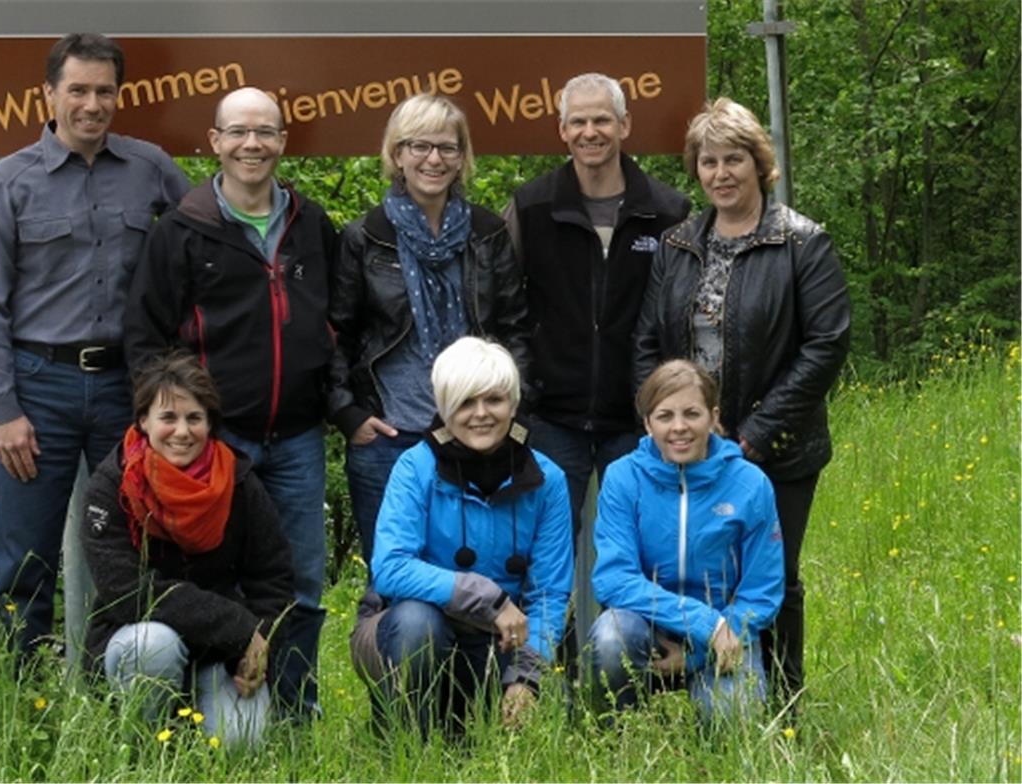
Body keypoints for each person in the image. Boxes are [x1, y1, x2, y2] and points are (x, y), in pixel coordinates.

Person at [0, 32, 190, 659]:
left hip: (130, 390)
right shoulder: (8, 182)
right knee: (24, 560)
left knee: (137, 548)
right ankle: (24, 710)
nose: (92, 104)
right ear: (49, 94)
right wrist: (2, 411)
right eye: (78, 90)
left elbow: (204, 243)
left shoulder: (150, 169)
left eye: (104, 91)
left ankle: (124, 695)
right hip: (39, 392)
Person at [124, 87, 338, 719]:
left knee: (300, 583)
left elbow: (338, 325)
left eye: (266, 132)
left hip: (297, 438)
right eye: (239, 132)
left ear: (282, 141)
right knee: (212, 579)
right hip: (218, 444)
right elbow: (145, 340)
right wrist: (174, 427)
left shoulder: (312, 226)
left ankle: (297, 713)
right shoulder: (182, 232)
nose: (253, 145)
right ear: (214, 141)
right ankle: (208, 703)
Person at [633, 97, 851, 706]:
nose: (721, 173)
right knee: (685, 576)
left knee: (772, 581)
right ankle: (691, 692)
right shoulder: (677, 245)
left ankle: (782, 703)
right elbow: (649, 341)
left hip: (776, 449)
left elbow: (827, 345)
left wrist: (751, 435)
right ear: (696, 170)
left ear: (760, 164)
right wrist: (662, 425)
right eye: (708, 161)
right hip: (685, 445)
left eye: (734, 159)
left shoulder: (802, 242)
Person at [328, 93, 530, 568]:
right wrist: (347, 414)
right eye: (418, 146)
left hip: (477, 430)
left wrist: (514, 411)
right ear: (396, 154)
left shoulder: (487, 232)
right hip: (390, 432)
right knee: (392, 574)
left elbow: (514, 327)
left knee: (478, 569)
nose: (433, 159)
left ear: (463, 158)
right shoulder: (366, 236)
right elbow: (338, 333)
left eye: (447, 147)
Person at [352, 337, 572, 737]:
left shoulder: (549, 480)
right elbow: (390, 568)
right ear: (444, 407)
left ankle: (473, 720)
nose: (481, 414)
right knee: (419, 621)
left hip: (500, 640)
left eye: (494, 400)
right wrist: (489, 597)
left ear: (514, 404)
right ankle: (404, 744)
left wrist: (526, 677)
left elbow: (549, 594)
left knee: (552, 707)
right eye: (466, 402)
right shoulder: (413, 467)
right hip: (407, 627)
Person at [504, 72, 690, 536]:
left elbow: (682, 317)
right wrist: (523, 391)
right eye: (579, 121)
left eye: (602, 120)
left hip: (639, 417)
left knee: (640, 548)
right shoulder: (530, 207)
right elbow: (505, 309)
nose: (591, 132)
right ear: (562, 130)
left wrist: (665, 399)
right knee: (542, 551)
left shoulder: (670, 213)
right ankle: (551, 614)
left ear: (625, 125)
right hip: (551, 416)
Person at [81, 352, 293, 747]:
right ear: (143, 421)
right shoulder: (112, 485)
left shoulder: (240, 483)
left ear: (210, 423)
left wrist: (260, 639)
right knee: (154, 645)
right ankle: (144, 749)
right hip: (139, 640)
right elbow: (125, 589)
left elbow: (273, 577)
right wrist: (237, 625)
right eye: (168, 418)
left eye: (194, 418)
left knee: (240, 742)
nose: (182, 431)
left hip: (219, 653)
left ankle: (200, 722)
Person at [589, 360, 784, 721]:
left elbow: (763, 588)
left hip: (729, 629)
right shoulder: (621, 478)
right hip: (648, 625)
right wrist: (703, 623)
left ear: (713, 416)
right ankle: (619, 736)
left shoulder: (751, 484)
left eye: (691, 414)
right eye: (664, 416)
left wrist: (706, 647)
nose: (679, 428)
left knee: (731, 720)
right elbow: (613, 579)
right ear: (647, 424)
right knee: (611, 636)